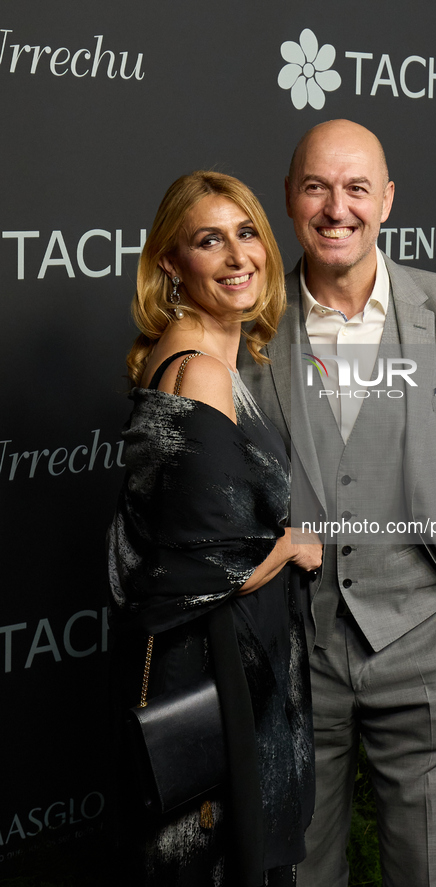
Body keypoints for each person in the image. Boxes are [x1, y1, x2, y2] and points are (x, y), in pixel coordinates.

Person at [238, 120, 436, 887]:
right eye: (316, 187)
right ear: (291, 198)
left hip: (432, 646)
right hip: (297, 655)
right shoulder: (249, 331)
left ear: (387, 200)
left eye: (356, 187)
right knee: (298, 872)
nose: (338, 208)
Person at [107, 170, 322, 887]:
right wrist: (292, 541)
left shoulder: (209, 354)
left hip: (232, 664)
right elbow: (218, 563)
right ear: (171, 263)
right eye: (209, 240)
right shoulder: (198, 367)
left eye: (246, 232)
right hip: (221, 673)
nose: (237, 257)